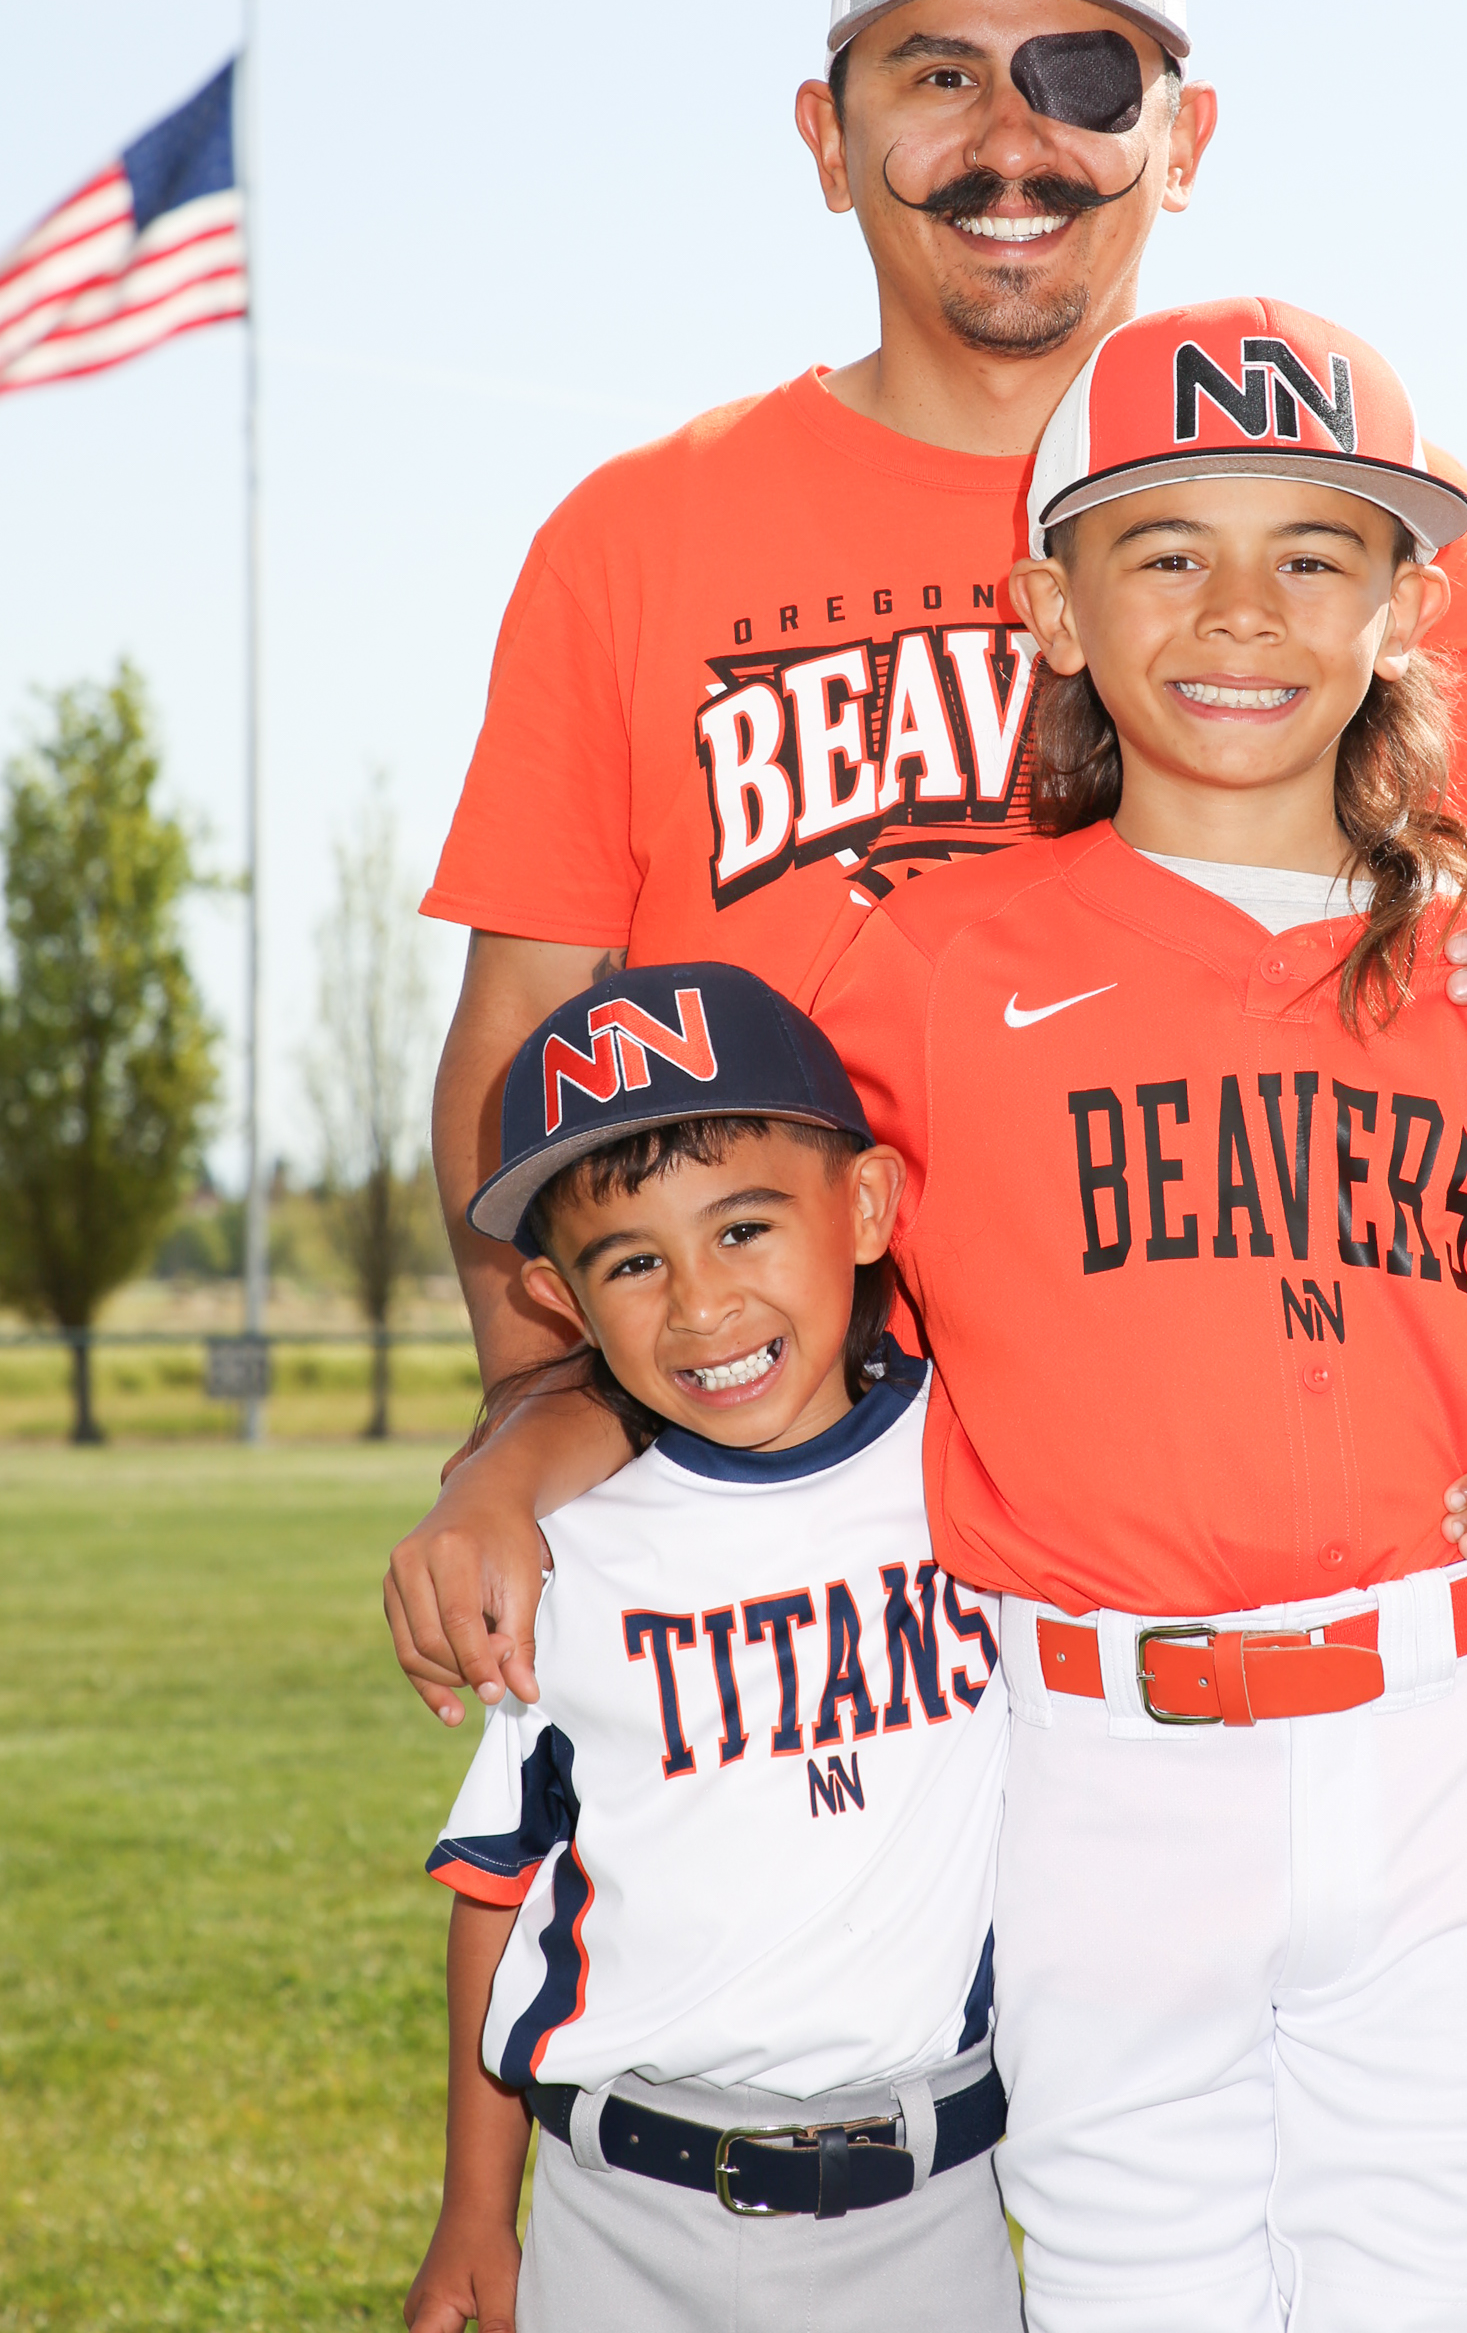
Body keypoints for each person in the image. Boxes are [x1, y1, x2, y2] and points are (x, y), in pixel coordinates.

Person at [389, 0, 1467, 1703]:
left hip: (1205, 1494)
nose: (1011, 141)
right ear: (825, 140)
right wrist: (548, 1413)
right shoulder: (637, 534)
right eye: (937, 76)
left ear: (1185, 140)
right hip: (777, 1472)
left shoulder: (1367, 505)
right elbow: (519, 1036)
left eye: (1082, 79)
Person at [805, 296, 1467, 2332]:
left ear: (1408, 611)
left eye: (1315, 554)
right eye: (1167, 549)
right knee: (1126, 2289)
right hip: (1092, 1763)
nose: (1240, 612)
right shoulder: (928, 965)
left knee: (1441, 2287)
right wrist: (525, 1450)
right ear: (1054, 606)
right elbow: (737, 1310)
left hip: (1438, 1760)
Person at [402, 963, 1019, 2333]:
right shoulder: (571, 1551)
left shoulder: (985, 1468)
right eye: (633, 1263)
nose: (699, 1304)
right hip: (621, 2206)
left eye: (743, 1228)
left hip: (926, 2202)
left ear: (867, 1206)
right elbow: (502, 1887)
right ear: (560, 1300)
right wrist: (472, 2212)